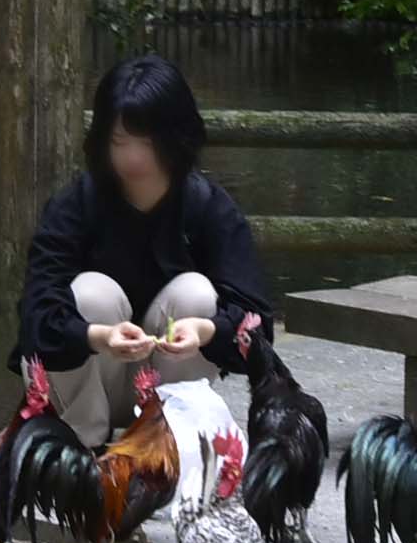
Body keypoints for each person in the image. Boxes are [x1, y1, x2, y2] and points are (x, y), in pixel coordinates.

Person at [14, 53, 274, 448]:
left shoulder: (208, 207)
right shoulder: (76, 204)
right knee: (89, 291)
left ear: (176, 138)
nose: (133, 158)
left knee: (195, 292)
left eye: (147, 143)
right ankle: (81, 441)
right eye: (120, 142)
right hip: (97, 382)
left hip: (171, 380)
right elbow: (35, 317)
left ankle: (172, 436)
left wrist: (205, 330)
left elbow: (257, 327)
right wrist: (98, 336)